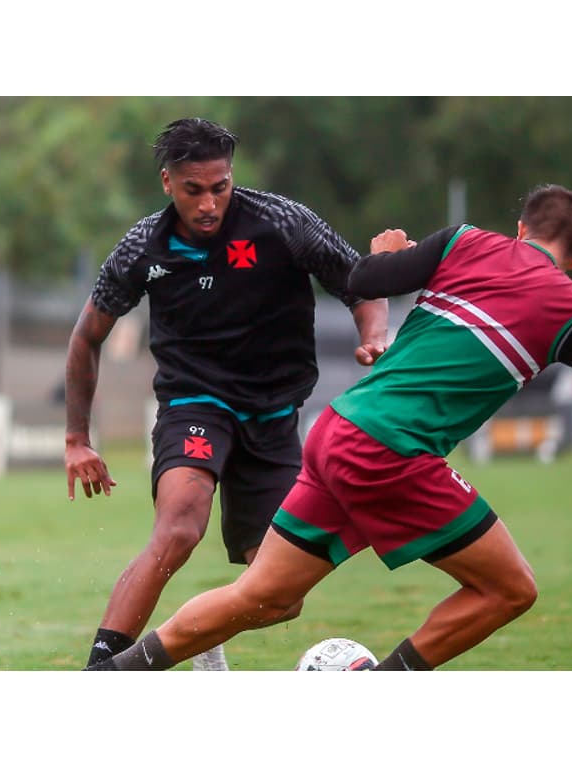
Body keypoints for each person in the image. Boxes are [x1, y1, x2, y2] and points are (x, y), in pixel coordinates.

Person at [85, 183, 572, 672]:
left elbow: (360, 279)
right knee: (511, 589)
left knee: (263, 596)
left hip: (339, 431)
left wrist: (392, 251)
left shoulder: (463, 242)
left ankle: (118, 674)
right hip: (393, 453)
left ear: (521, 230)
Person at [64, 118, 389, 671]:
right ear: (168, 183)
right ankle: (103, 672)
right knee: (179, 528)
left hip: (275, 418)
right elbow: (87, 336)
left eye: (221, 187)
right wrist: (76, 437)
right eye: (194, 190)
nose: (210, 202)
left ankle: (193, 634)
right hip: (196, 405)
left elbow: (363, 284)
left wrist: (374, 338)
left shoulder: (283, 222)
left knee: (281, 595)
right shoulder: (144, 246)